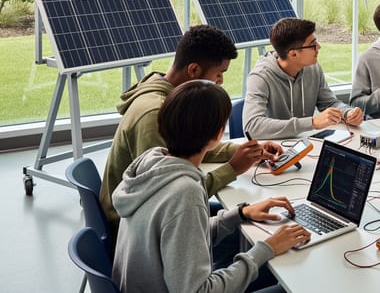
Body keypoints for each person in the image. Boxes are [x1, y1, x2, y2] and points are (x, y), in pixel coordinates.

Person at [112, 80, 310, 293]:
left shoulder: (151, 163)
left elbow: (179, 236)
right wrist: (267, 248)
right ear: (218, 135)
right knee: (293, 282)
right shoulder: (185, 192)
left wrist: (240, 214)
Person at [100, 25, 281, 232]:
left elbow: (188, 149)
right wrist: (232, 169)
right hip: (134, 226)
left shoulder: (168, 96)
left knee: (245, 214)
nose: (221, 81)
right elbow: (167, 194)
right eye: (219, 73)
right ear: (194, 70)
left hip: (151, 214)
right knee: (257, 231)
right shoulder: (153, 114)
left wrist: (245, 152)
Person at [243, 17, 363, 139]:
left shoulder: (313, 68)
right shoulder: (260, 77)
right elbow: (252, 126)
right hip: (272, 146)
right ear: (293, 54)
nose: (319, 47)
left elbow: (328, 103)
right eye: (312, 45)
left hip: (306, 142)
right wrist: (312, 123)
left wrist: (347, 113)